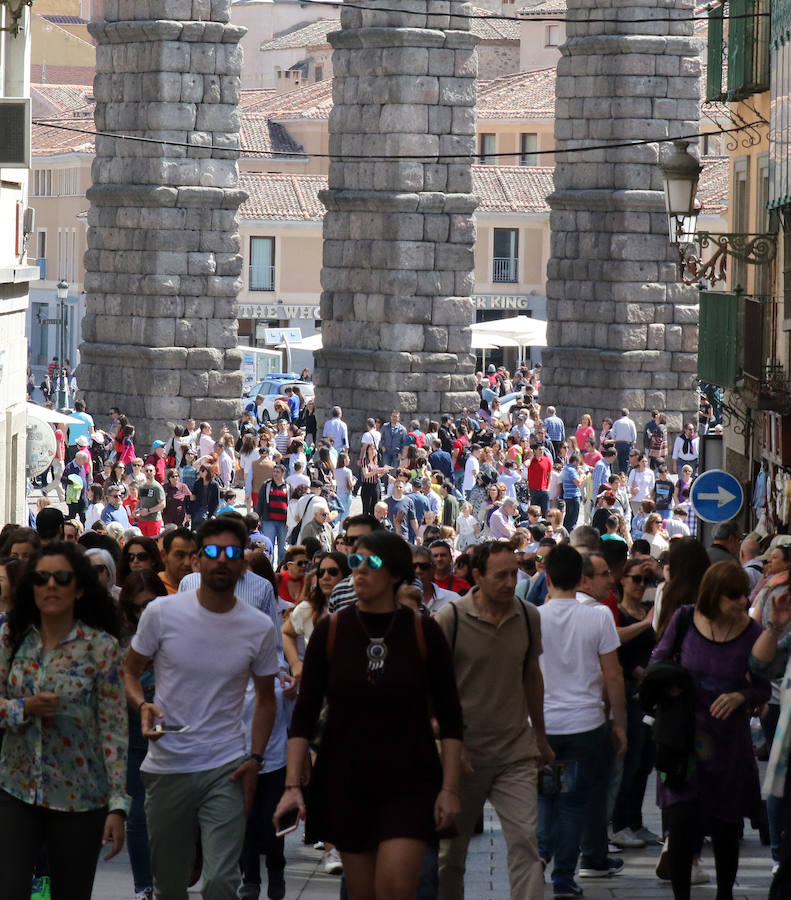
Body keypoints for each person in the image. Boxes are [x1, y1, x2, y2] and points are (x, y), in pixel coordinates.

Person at [273, 531, 464, 900]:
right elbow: (305, 714)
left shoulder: (424, 632)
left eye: (371, 562)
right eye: (355, 562)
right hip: (346, 778)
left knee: (396, 888)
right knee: (362, 892)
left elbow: (451, 715)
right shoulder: (331, 631)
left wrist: (450, 788)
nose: (359, 570)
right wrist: (293, 787)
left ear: (395, 573)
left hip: (411, 778)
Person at [125, 517, 279, 899]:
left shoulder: (258, 627)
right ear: (197, 561)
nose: (221, 561)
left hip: (226, 766)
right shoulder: (162, 614)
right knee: (170, 885)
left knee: (220, 883)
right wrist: (142, 703)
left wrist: (256, 759)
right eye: (212, 552)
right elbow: (129, 670)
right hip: (168, 764)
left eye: (231, 553)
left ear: (244, 564)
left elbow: (266, 698)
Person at [0, 541, 129, 898]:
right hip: (16, 787)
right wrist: (22, 707)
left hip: (80, 797)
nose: (51, 585)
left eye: (61, 577)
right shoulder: (11, 639)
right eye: (42, 578)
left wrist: (118, 805)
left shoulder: (101, 648)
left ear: (79, 587)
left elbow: (114, 730)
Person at [435, 540, 551, 900]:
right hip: (463, 755)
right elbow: (432, 689)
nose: (509, 582)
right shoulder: (450, 619)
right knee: (450, 856)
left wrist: (541, 737)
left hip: (515, 751)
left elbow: (532, 676)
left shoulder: (528, 615)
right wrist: (447, 742)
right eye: (500, 576)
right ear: (476, 576)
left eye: (513, 574)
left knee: (526, 848)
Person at [651, 561, 769, 900]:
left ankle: (725, 894)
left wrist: (740, 695)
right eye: (733, 596)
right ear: (714, 595)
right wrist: (674, 685)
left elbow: (762, 687)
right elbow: (659, 659)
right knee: (682, 821)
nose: (742, 602)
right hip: (684, 740)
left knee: (726, 825)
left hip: (728, 743)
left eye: (744, 595)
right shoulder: (685, 619)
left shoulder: (752, 632)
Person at [537, 543, 626, 899]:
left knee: (546, 798)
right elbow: (613, 675)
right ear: (579, 579)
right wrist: (619, 723)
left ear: (545, 577)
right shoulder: (599, 616)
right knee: (574, 803)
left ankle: (541, 852)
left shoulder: (532, 617)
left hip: (544, 725)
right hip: (586, 725)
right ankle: (563, 877)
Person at [118, 569, 169, 900]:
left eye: (150, 606)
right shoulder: (120, 641)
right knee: (137, 815)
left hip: (174, 735)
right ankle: (143, 888)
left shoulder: (176, 636)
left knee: (170, 816)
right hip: (133, 736)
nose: (143, 615)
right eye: (138, 608)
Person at [157, 527, 198, 594]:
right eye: (180, 556)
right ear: (164, 555)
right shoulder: (153, 588)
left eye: (192, 556)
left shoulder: (204, 588)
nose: (187, 563)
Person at [611, 408, 637, 473]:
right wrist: (633, 442)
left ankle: (621, 474)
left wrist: (615, 440)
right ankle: (625, 475)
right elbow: (634, 433)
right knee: (626, 461)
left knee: (620, 460)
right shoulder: (631, 422)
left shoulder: (616, 422)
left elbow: (612, 433)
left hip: (618, 443)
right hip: (627, 444)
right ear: (628, 414)